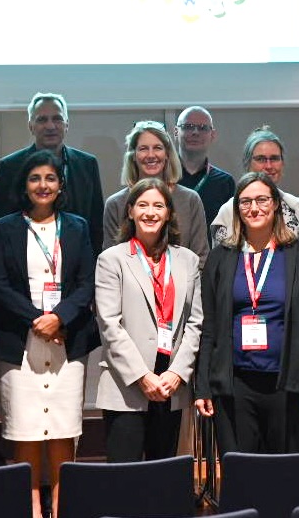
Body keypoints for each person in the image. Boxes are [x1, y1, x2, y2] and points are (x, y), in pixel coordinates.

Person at [0, 151, 98, 518]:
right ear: (24, 185)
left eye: (50, 178)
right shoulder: (4, 227)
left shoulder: (78, 226)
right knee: (26, 428)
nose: (43, 185)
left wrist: (60, 317)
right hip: (19, 340)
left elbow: (86, 284)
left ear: (61, 184)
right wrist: (38, 319)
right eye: (35, 178)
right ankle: (32, 507)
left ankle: (63, 505)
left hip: (67, 340)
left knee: (65, 426)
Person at [194, 173, 299, 454]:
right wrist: (203, 386)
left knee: (286, 473)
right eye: (245, 202)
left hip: (288, 383)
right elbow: (210, 327)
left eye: (261, 200)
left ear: (276, 204)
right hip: (235, 384)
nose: (253, 208)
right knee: (242, 473)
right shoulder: (221, 257)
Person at [94, 179, 204, 462]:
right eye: (142, 205)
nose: (150, 212)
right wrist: (143, 377)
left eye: (158, 205)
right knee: (125, 479)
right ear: (130, 211)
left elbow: (195, 323)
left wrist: (177, 373)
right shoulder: (111, 259)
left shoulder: (188, 260)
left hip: (171, 385)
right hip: (127, 384)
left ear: (169, 212)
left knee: (164, 477)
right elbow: (109, 324)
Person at [101, 120, 210, 259]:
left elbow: (200, 257)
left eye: (158, 148)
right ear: (133, 156)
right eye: (143, 148)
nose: (151, 155)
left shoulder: (190, 200)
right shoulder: (115, 204)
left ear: (167, 154)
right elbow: (110, 260)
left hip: (181, 280)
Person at [0, 93, 105, 225]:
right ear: (31, 126)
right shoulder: (9, 167)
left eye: (57, 119)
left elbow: (96, 219)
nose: (50, 126)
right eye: (42, 120)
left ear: (67, 124)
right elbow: (0, 221)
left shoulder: (87, 164)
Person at [208, 126, 299, 245]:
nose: (269, 166)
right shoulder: (228, 211)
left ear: (282, 163)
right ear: (247, 163)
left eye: (274, 159)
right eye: (261, 159)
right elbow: (221, 260)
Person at [175, 106, 236, 223]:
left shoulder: (225, 183)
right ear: (176, 132)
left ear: (212, 135)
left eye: (203, 128)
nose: (195, 132)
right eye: (188, 127)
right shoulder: (162, 177)